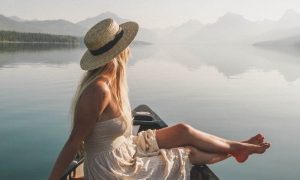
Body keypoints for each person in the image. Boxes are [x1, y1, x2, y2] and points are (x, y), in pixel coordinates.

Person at [48, 18, 270, 180]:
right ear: (120, 51)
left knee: (183, 131)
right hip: (111, 168)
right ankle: (236, 151)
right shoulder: (97, 90)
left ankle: (236, 146)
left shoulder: (113, 81)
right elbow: (74, 142)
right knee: (187, 154)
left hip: (125, 148)